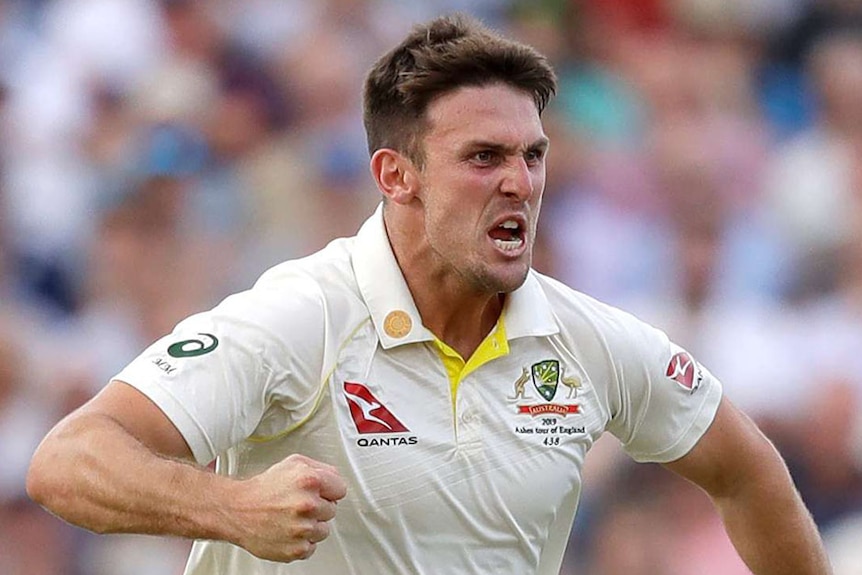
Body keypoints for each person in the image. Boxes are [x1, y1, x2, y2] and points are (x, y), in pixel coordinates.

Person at [27, 13, 832, 575]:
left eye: (534, 155)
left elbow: (748, 472)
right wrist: (231, 506)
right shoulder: (300, 317)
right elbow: (67, 460)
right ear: (395, 175)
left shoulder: (589, 341)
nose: (521, 183)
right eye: (484, 157)